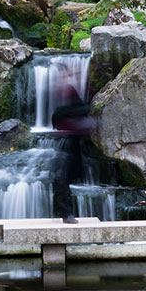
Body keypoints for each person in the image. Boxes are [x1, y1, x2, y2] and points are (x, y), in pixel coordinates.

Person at [49, 83, 96, 224]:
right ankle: (65, 213)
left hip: (69, 145)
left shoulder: (68, 105)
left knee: (63, 178)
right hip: (66, 146)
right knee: (62, 177)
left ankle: (64, 212)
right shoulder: (66, 107)